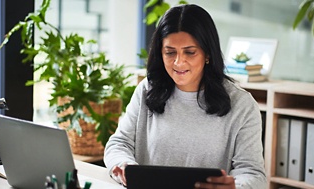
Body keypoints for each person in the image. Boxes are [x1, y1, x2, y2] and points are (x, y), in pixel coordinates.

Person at [104, 4, 266, 189]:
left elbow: (253, 174)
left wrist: (236, 186)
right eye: (170, 52)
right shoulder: (147, 90)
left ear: (207, 54)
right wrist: (124, 165)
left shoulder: (242, 105)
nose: (178, 62)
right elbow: (119, 143)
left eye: (190, 52)